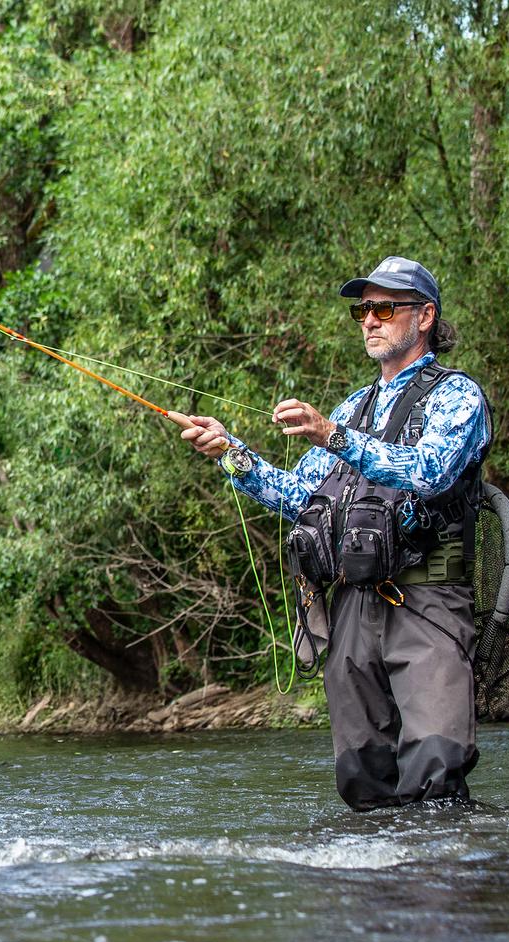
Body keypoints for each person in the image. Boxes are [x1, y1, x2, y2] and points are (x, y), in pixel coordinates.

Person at [169, 257, 491, 810]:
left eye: (384, 308)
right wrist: (234, 454)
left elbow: (429, 470)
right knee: (362, 774)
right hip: (354, 607)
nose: (369, 320)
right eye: (362, 309)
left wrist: (334, 436)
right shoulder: (355, 406)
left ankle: (445, 880)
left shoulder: (458, 396)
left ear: (426, 316)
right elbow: (300, 498)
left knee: (435, 770)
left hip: (430, 596)